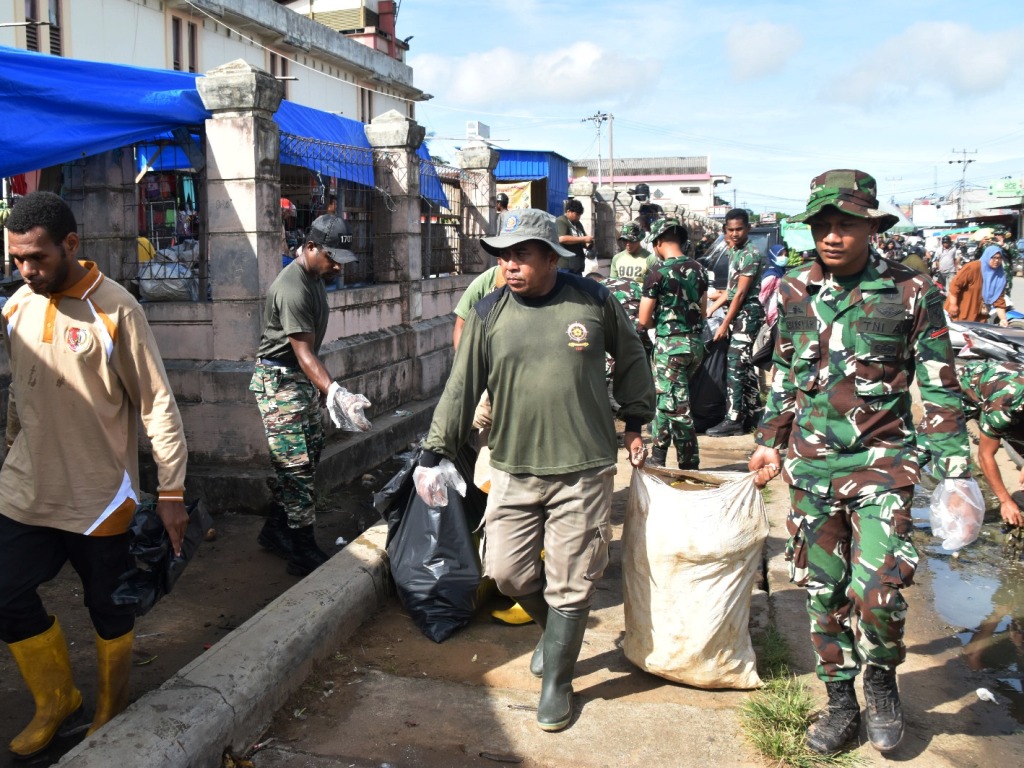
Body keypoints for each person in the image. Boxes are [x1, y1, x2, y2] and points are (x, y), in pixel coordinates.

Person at [749, 169, 975, 755]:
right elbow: (786, 373)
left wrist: (955, 472)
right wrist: (770, 438)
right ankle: (840, 701)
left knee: (878, 591)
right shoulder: (792, 289)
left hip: (883, 466)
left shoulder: (911, 291)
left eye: (845, 224)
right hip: (810, 469)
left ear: (871, 228)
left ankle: (880, 681)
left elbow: (939, 382)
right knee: (822, 593)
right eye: (821, 225)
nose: (831, 235)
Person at [414, 208, 655, 732]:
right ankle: (556, 635)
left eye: (521, 255)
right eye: (503, 256)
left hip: (584, 466)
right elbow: (462, 384)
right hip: (513, 465)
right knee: (507, 572)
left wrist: (636, 420)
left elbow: (632, 357)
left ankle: (558, 682)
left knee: (572, 580)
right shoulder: (488, 312)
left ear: (551, 258)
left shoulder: (592, 300)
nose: (509, 265)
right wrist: (435, 450)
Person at [0, 192, 190, 757]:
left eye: (36, 257)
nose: (25, 270)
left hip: (100, 497)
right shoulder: (16, 307)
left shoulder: (116, 309)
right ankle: (57, 700)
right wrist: (10, 446)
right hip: (26, 488)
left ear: (70, 245)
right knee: (5, 591)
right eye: (16, 258)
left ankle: (111, 705)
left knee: (109, 607)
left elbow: (157, 403)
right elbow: (20, 390)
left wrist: (171, 491)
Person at [250, 214, 372, 577]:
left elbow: (308, 355)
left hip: (298, 380)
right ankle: (302, 550)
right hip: (279, 381)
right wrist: (336, 393)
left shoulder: (315, 277)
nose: (337, 267)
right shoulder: (292, 287)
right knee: (296, 467)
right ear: (310, 247)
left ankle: (275, 529)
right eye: (332, 258)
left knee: (310, 456)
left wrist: (318, 390)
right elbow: (303, 353)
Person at [637, 218, 708, 469]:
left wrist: (660, 320)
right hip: (695, 345)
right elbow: (703, 311)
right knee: (667, 400)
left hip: (671, 349)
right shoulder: (700, 269)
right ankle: (658, 455)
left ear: (658, 242)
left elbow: (644, 319)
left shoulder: (658, 272)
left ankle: (690, 465)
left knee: (677, 409)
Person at [705, 208, 764, 436]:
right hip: (737, 313)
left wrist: (723, 324)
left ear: (748, 228)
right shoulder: (734, 251)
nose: (735, 233)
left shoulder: (750, 254)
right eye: (730, 230)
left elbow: (739, 295)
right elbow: (730, 291)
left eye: (739, 229)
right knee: (743, 365)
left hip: (747, 314)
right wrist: (711, 310)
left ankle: (734, 420)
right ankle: (756, 415)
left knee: (735, 363)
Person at [958, 359, 1024, 528]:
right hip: (967, 386)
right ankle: (896, 496)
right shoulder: (1002, 408)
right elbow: (985, 455)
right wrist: (1005, 501)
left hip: (1007, 386)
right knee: (937, 440)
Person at [945, 245, 1007, 325]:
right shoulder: (973, 267)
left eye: (999, 258)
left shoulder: (999, 276)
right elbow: (955, 285)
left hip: (979, 317)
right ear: (987, 256)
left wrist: (1003, 319)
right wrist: (953, 305)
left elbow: (999, 299)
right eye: (993, 257)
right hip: (959, 312)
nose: (996, 261)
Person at [555, 198, 593, 275]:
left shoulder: (578, 224)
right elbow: (562, 239)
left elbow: (583, 238)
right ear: (568, 211)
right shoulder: (561, 221)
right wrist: (583, 239)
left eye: (580, 215)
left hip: (577, 266)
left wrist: (588, 243)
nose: (578, 217)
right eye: (577, 214)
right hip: (566, 266)